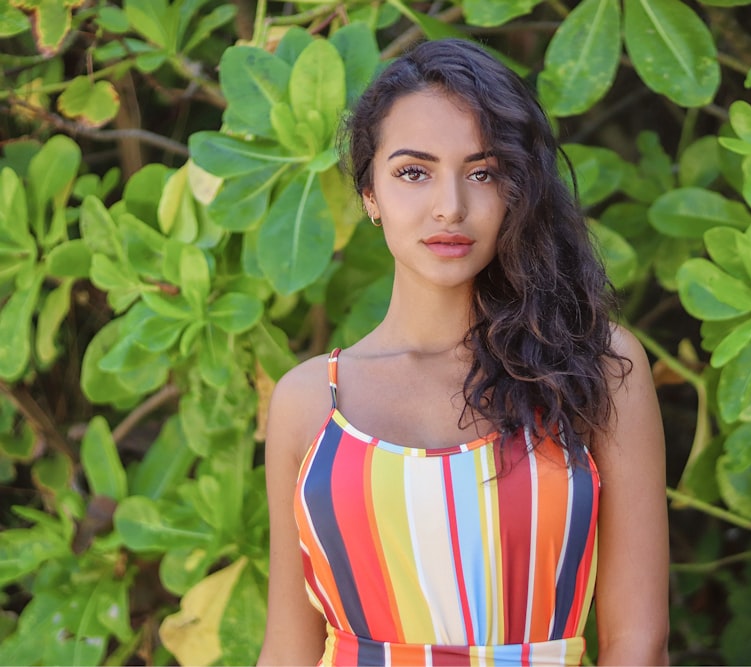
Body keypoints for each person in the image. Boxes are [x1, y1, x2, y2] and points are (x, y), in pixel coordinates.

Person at [257, 38, 670, 666]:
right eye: (413, 172)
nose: (450, 206)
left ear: (517, 190)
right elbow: (288, 650)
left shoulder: (594, 367)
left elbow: (637, 641)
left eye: (482, 172)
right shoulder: (309, 401)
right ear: (369, 194)